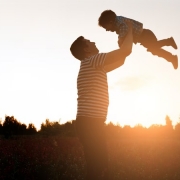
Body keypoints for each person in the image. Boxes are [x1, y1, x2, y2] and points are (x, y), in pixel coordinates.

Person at [70, 22, 133, 180]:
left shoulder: (96, 65)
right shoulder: (93, 61)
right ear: (86, 49)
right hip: (90, 123)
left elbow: (121, 59)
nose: (94, 42)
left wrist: (123, 41)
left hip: (92, 123)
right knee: (98, 168)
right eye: (89, 41)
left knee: (99, 166)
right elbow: (126, 51)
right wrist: (130, 29)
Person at [98, 9, 178, 69]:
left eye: (106, 27)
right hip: (143, 37)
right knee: (154, 49)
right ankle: (172, 57)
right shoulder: (118, 21)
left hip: (145, 35)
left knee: (153, 48)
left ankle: (169, 43)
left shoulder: (119, 22)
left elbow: (125, 28)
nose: (106, 29)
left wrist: (121, 39)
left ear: (111, 22)